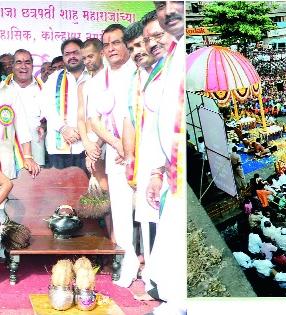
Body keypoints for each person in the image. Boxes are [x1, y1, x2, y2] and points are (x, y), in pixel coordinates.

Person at [120, 12, 172, 300]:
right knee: (148, 224)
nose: (139, 52)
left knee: (162, 225)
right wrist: (131, 160)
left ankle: (162, 288)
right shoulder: (135, 80)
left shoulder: (167, 73)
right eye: (134, 49)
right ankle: (153, 283)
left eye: (143, 44)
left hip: (163, 166)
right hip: (147, 163)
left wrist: (158, 170)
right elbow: (130, 121)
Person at [88, 24, 138, 288]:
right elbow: (94, 122)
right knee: (120, 212)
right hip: (116, 155)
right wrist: (118, 144)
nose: (111, 49)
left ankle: (152, 268)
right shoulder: (98, 80)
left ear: (126, 44)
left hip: (144, 154)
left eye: (116, 43)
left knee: (148, 210)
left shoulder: (140, 73)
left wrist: (131, 148)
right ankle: (126, 265)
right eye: (106, 44)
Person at [144, 2, 186, 313]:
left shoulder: (183, 52)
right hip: (171, 167)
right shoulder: (170, 55)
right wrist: (158, 170)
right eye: (161, 5)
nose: (169, 10)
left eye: (177, 3)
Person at [39, 38, 90, 173]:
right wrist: (63, 128)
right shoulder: (54, 78)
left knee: (88, 192)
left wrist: (82, 130)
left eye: (75, 52)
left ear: (83, 53)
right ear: (63, 57)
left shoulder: (93, 76)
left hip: (88, 146)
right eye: (67, 54)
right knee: (60, 192)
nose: (71, 56)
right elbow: (46, 107)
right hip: (58, 147)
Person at [2, 49, 45, 166]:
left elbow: (51, 117)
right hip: (7, 154)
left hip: (36, 153)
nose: (23, 66)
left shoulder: (45, 89)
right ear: (13, 65)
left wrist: (44, 125)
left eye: (27, 62)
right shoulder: (2, 89)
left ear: (32, 64)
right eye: (19, 62)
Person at [77, 38, 108, 191]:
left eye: (90, 56)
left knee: (110, 188)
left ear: (101, 53)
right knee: (100, 189)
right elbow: (81, 118)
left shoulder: (111, 80)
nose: (87, 61)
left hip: (108, 141)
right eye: (84, 58)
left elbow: (110, 118)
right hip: (90, 141)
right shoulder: (84, 85)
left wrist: (97, 146)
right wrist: (87, 143)